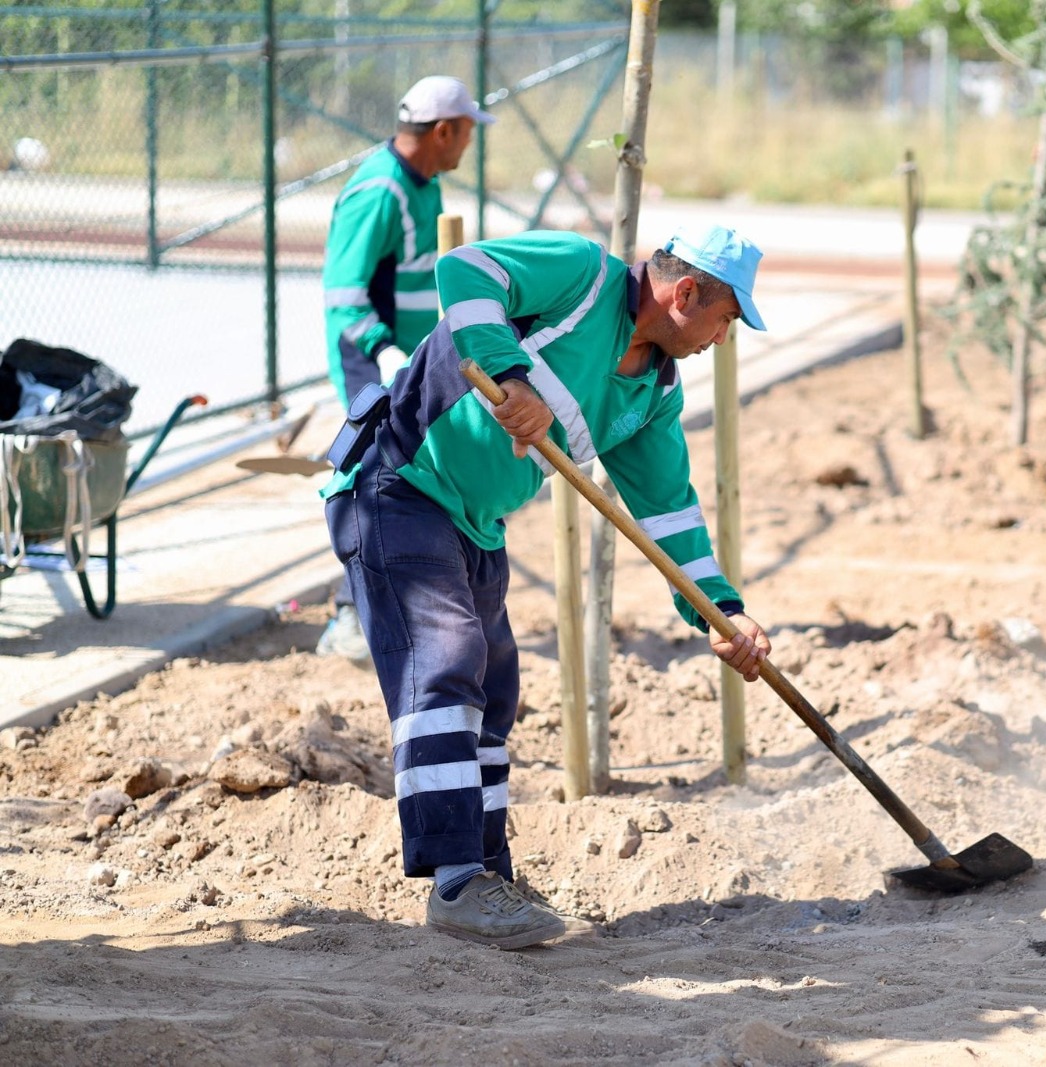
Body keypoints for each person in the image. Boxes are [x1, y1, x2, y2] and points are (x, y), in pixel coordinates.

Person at [320, 222, 774, 949]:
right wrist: (511, 375)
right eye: (725, 319)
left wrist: (722, 609)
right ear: (685, 293)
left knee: (494, 688)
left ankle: (488, 874)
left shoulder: (653, 389)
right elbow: (465, 270)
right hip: (398, 486)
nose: (724, 339)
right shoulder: (580, 274)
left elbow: (669, 509)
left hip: (475, 522)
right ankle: (458, 881)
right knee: (445, 661)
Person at [317, 75, 495, 661]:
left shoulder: (425, 185)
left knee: (414, 474)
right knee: (371, 477)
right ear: (443, 130)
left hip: (411, 361)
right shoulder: (380, 192)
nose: (468, 144)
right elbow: (344, 293)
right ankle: (349, 617)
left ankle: (400, 600)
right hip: (375, 358)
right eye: (466, 131)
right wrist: (385, 350)